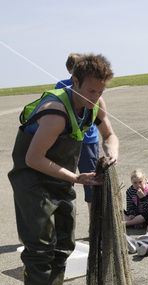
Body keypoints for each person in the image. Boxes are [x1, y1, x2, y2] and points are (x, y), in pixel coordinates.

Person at [8, 54, 119, 285]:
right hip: (33, 181)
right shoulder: (56, 112)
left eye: (101, 91)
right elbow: (33, 158)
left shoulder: (95, 105)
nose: (95, 97)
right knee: (40, 250)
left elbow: (110, 135)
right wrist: (75, 178)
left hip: (60, 180)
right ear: (75, 82)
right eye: (91, 91)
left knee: (63, 246)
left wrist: (112, 151)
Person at [54, 53, 101, 214]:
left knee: (92, 184)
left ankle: (95, 222)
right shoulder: (62, 86)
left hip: (88, 141)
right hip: (70, 143)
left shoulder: (90, 87)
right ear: (70, 70)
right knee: (66, 183)